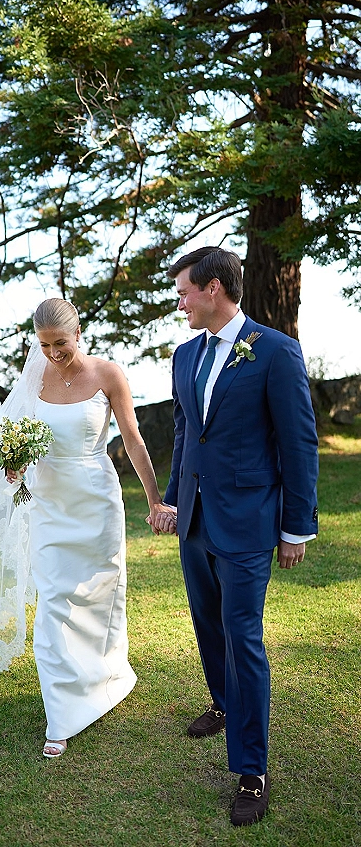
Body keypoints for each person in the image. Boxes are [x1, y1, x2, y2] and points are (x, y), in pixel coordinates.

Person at [0, 298, 165, 760]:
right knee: (52, 602)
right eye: (44, 345)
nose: (53, 354)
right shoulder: (35, 379)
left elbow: (132, 439)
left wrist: (154, 499)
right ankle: (61, 716)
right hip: (49, 502)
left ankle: (104, 679)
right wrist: (15, 466)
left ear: (79, 333)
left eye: (61, 343)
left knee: (99, 593)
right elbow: (24, 441)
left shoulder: (109, 375)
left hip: (95, 499)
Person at [152, 247, 318, 826]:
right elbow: (185, 433)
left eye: (184, 293)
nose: (179, 303)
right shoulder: (184, 355)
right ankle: (223, 705)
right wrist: (172, 499)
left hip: (250, 522)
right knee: (206, 622)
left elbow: (299, 445)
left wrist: (296, 526)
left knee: (242, 635)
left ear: (215, 289)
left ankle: (252, 769)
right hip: (196, 519)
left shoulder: (275, 352)